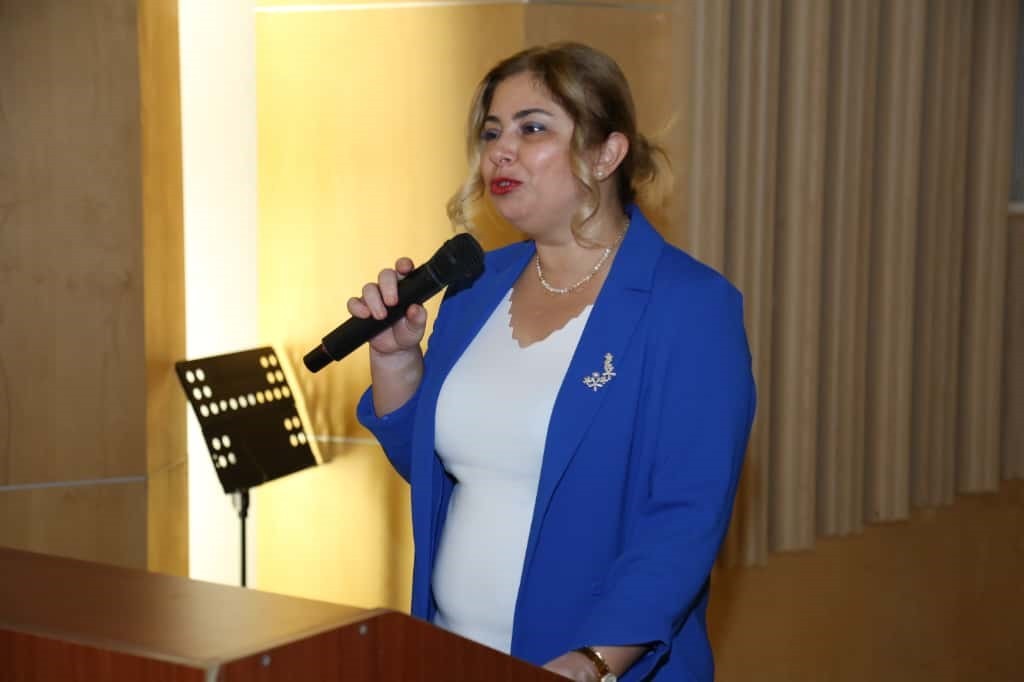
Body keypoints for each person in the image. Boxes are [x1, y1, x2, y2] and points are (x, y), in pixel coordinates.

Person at [353, 42, 755, 681]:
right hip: (452, 653)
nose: (500, 151)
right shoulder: (475, 286)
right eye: (492, 132)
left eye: (532, 128)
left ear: (606, 153)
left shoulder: (688, 307)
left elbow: (684, 519)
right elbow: (435, 470)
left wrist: (595, 661)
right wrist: (396, 359)